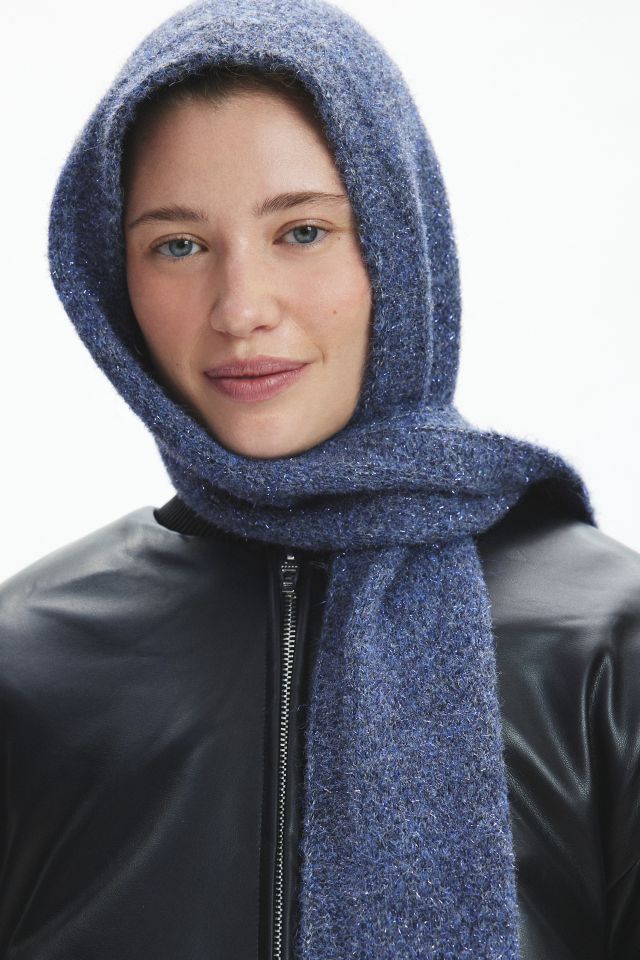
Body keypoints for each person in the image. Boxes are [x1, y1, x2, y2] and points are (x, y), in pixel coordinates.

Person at [0, 0, 638, 957]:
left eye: (301, 231)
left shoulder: (611, 644)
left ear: (399, 244)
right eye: (178, 245)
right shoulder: (24, 661)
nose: (240, 307)